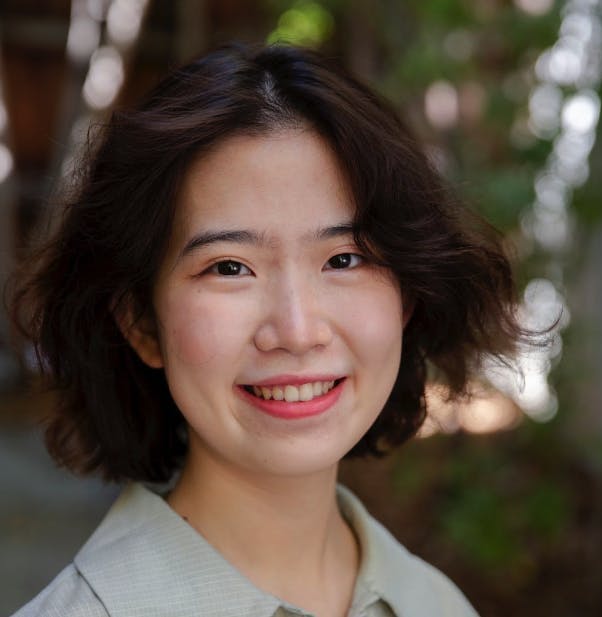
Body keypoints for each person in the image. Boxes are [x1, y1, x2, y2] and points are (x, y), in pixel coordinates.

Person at [10, 43, 523, 617]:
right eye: (229, 268)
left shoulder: (439, 605)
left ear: (407, 293)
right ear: (141, 323)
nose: (297, 331)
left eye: (345, 259)